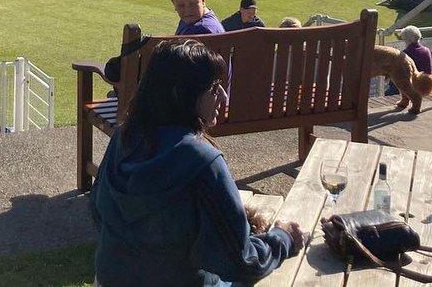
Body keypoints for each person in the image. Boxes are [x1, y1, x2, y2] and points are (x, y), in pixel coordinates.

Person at [90, 39, 304, 287]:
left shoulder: (123, 136)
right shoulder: (202, 160)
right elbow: (244, 261)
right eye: (214, 88)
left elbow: (97, 210)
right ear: (182, 95)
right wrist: (283, 237)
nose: (223, 96)